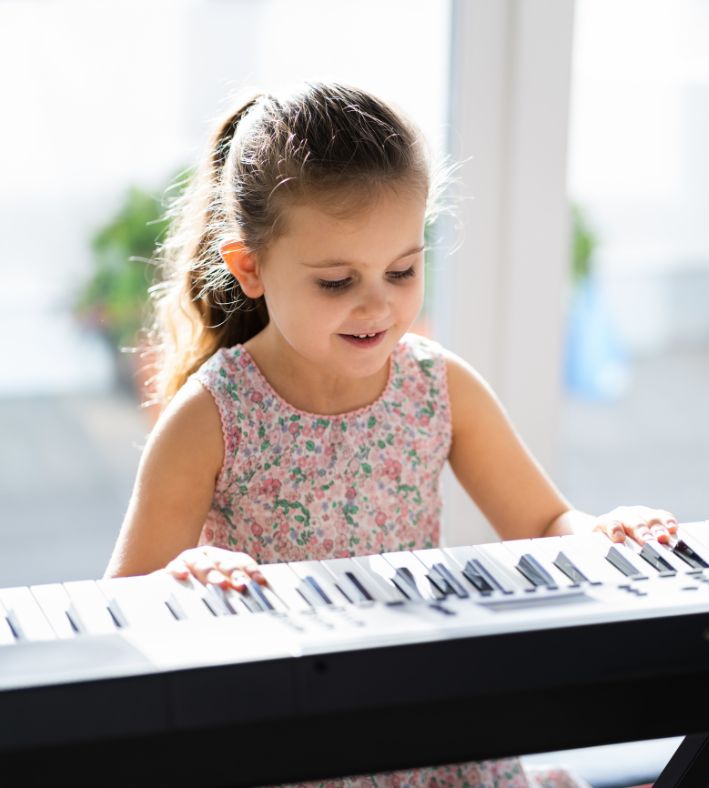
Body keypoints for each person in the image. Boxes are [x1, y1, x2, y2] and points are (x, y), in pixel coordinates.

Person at [104, 82, 677, 788]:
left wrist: (601, 533)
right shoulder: (212, 418)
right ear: (249, 267)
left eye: (402, 270)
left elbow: (544, 521)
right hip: (288, 732)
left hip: (426, 718)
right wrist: (180, 582)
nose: (378, 303)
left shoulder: (439, 386)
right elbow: (118, 606)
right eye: (337, 281)